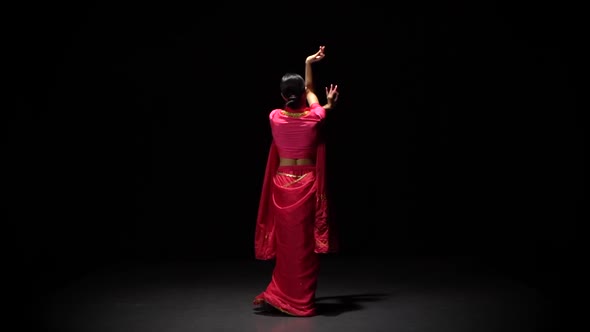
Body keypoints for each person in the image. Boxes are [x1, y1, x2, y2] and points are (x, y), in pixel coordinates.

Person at [253, 45, 340, 317]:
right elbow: (312, 95)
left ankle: (282, 295)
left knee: (287, 245)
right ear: (304, 94)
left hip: (282, 185)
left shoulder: (274, 117)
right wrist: (310, 67)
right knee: (303, 246)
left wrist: (306, 66)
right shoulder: (316, 118)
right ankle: (300, 300)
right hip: (307, 183)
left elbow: (305, 94)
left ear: (282, 96)